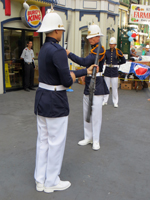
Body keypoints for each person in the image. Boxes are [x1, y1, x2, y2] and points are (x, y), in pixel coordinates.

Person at [34, 9, 98, 194]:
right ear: (56, 31)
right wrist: (77, 74)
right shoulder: (58, 51)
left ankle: (40, 180)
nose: (62, 33)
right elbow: (67, 81)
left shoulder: (44, 49)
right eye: (60, 30)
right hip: (56, 101)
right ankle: (52, 181)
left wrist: (80, 72)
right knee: (56, 143)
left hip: (42, 99)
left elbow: (61, 75)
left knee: (43, 142)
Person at [66, 23, 109, 151]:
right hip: (91, 79)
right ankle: (88, 137)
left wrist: (69, 54)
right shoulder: (93, 48)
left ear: (97, 37)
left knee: (96, 113)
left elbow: (84, 62)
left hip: (98, 81)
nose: (89, 39)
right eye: (89, 37)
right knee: (86, 110)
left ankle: (96, 140)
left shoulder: (99, 49)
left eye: (92, 37)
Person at [102, 37, 126, 108]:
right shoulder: (106, 52)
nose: (111, 45)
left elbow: (123, 60)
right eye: (110, 44)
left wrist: (118, 63)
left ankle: (115, 102)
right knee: (106, 86)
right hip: (107, 70)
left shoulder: (118, 52)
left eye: (112, 44)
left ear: (115, 44)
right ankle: (105, 100)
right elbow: (103, 60)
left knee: (115, 87)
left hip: (114, 70)